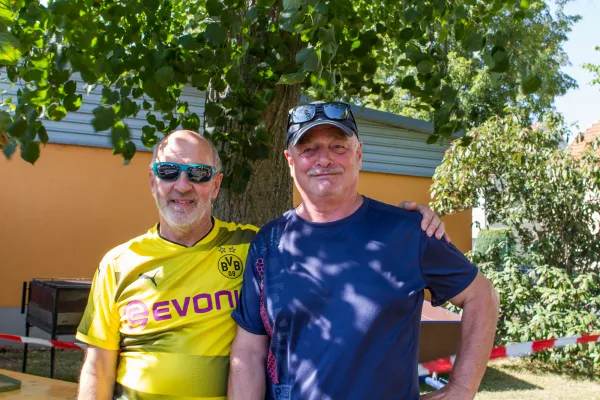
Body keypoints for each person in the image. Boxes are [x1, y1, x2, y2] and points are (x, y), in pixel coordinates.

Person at [75, 129, 447, 400]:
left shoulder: (261, 245)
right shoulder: (119, 264)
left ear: (216, 185)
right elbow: (98, 367)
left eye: (199, 174)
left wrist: (414, 223)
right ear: (154, 181)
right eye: (169, 172)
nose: (183, 186)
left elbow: (328, 230)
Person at [228, 102, 500, 400]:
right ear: (290, 161)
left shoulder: (409, 232)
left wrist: (461, 388)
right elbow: (250, 351)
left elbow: (482, 296)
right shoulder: (269, 243)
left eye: (338, 147)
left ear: (359, 154)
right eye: (308, 149)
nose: (324, 159)